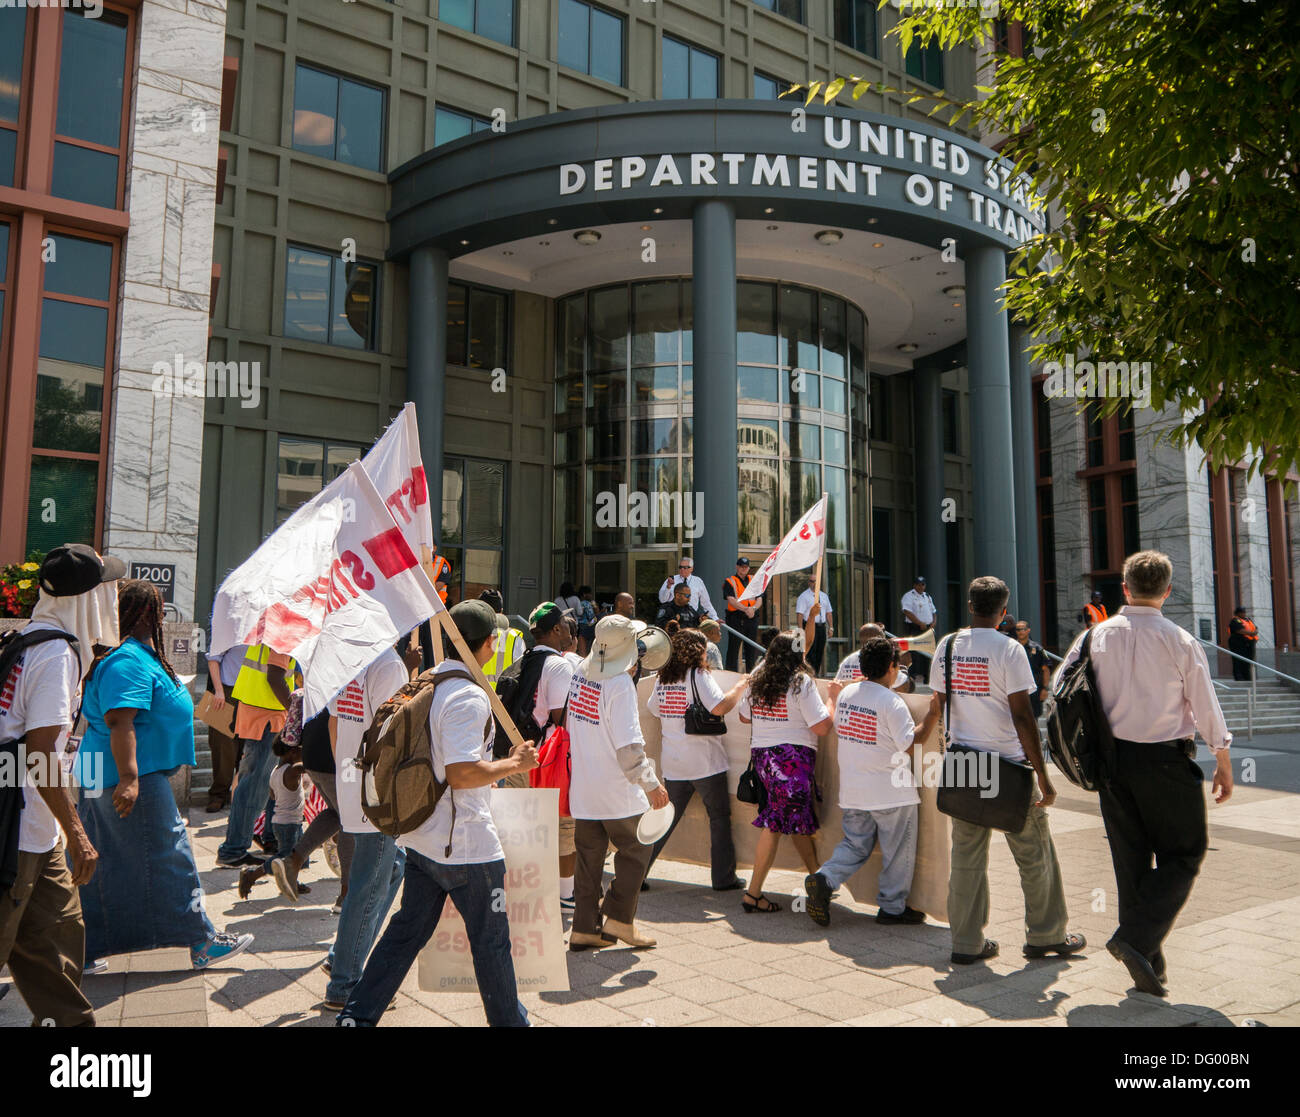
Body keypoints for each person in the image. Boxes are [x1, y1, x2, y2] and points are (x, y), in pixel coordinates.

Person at [337, 600, 539, 1027]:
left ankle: (355, 1017)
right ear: (486, 644)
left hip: (425, 841)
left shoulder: (428, 681)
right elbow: (462, 773)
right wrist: (515, 764)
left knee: (403, 935)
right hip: (468, 846)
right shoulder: (468, 695)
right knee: (492, 945)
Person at [1056, 550, 1233, 997]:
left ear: (1125, 587)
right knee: (1186, 853)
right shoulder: (1180, 640)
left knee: (1130, 862)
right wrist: (1223, 759)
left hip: (1113, 764)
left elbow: (1062, 689)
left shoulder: (1094, 637)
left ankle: (1147, 960)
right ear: (1168, 591)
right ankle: (1136, 941)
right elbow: (1205, 705)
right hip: (1166, 762)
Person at [77, 579, 254, 970]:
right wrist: (129, 778)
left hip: (107, 772)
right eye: (157, 608)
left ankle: (85, 946)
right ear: (145, 614)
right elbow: (120, 721)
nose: (161, 614)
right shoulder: (125, 660)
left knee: (102, 861)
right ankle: (202, 941)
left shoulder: (132, 654)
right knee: (172, 855)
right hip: (124, 777)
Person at [931, 576, 1084, 966]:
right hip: (1009, 767)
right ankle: (1046, 936)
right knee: (1034, 854)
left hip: (965, 764)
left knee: (966, 856)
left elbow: (940, 706)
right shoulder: (1011, 650)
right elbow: (1023, 717)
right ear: (1003, 612)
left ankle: (966, 943)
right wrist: (1044, 776)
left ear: (970, 606)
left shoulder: (947, 646)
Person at [0, 543, 118, 1026]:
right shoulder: (54, 655)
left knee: (61, 936)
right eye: (106, 588)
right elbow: (40, 751)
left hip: (35, 826)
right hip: (19, 827)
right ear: (86, 600)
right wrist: (79, 832)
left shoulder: (27, 638)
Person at [805, 637, 942, 927]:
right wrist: (932, 715)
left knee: (855, 844)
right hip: (892, 792)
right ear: (892, 667)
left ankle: (825, 877)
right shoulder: (891, 701)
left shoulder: (847, 694)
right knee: (897, 852)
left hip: (854, 788)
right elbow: (910, 743)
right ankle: (892, 908)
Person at [566, 614, 670, 950]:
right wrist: (651, 784)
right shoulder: (619, 685)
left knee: (589, 856)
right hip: (615, 787)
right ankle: (620, 919)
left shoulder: (582, 671)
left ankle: (583, 928)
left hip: (584, 784)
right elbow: (628, 749)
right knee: (638, 847)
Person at [322, 645, 411, 1010]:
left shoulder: (346, 658)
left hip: (354, 782)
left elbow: (333, 721)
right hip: (374, 790)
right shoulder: (388, 665)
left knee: (393, 866)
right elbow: (394, 737)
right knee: (368, 886)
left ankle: (342, 954)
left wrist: (346, 767)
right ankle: (347, 982)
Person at [643, 628, 748, 891]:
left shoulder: (663, 678)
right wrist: (740, 687)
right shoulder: (699, 675)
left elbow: (653, 709)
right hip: (706, 761)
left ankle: (637, 872)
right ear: (697, 651)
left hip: (675, 762)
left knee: (665, 820)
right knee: (719, 818)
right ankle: (723, 878)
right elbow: (719, 707)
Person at [738, 630, 834, 913]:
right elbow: (821, 727)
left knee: (795, 820)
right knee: (776, 823)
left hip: (765, 760)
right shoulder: (800, 681)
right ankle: (753, 893)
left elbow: (744, 716)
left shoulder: (758, 677)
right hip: (792, 761)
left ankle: (818, 877)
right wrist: (833, 701)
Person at [215, 641, 298, 868]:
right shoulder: (283, 634)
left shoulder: (271, 628)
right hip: (266, 719)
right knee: (254, 787)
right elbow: (274, 678)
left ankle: (270, 840)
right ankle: (233, 850)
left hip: (261, 715)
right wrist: (296, 711)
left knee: (270, 785)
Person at [525, 602, 578, 908]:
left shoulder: (526, 658)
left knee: (531, 829)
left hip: (526, 754)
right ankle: (565, 894)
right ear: (557, 629)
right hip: (550, 758)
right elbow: (563, 717)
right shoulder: (557, 665)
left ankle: (535, 890)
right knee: (562, 828)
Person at [273, 706, 350, 911]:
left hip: (313, 752)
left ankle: (293, 861)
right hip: (331, 753)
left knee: (336, 813)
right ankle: (347, 892)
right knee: (349, 821)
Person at [238, 699, 310, 900]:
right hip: (289, 824)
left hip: (283, 821)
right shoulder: (293, 770)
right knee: (285, 857)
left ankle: (291, 881)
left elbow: (272, 795)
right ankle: (252, 875)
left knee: (301, 856)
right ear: (293, 752)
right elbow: (308, 766)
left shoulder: (275, 772)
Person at [202, 640, 246, 811]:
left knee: (248, 748)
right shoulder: (231, 620)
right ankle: (218, 794)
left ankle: (240, 793)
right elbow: (213, 658)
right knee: (220, 744)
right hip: (225, 690)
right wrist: (218, 690)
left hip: (253, 693)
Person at [835, 622, 914, 693]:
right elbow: (905, 688)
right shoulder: (883, 659)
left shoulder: (848, 660)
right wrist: (903, 665)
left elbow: (837, 685)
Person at [723, 557, 761, 671]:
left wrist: (753, 609)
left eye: (745, 567)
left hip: (751, 618)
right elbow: (731, 599)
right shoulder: (730, 581)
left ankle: (751, 675)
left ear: (748, 568)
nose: (743, 569)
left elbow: (759, 598)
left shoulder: (754, 580)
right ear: (737, 567)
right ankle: (731, 674)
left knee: (751, 649)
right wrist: (746, 609)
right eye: (741, 566)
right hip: (736, 618)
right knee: (733, 649)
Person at [481, 589, 525, 687]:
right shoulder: (513, 637)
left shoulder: (471, 633)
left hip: (474, 694)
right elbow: (520, 672)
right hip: (502, 698)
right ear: (501, 611)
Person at [657, 556, 718, 620]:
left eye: (685, 567)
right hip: (673, 617)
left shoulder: (698, 581)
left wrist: (715, 618)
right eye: (680, 567)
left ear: (691, 568)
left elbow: (706, 603)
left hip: (691, 618)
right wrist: (668, 587)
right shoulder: (671, 580)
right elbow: (662, 600)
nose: (682, 569)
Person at [1013, 620, 1052, 717]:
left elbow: (1046, 669)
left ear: (1028, 630)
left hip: (1034, 690)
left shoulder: (1037, 648)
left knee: (1034, 718)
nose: (1020, 631)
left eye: (1023, 629)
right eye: (1018, 629)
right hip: (1016, 689)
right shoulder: (1011, 647)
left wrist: (1045, 689)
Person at [795, 577, 833, 675]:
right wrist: (800, 631)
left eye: (816, 581)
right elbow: (800, 614)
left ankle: (816, 675)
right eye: (812, 581)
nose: (814, 583)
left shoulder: (824, 596)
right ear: (809, 583)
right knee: (810, 653)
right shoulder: (804, 596)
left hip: (821, 626)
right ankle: (809, 675)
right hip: (809, 626)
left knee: (819, 652)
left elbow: (828, 613)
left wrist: (831, 627)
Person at [901, 575, 937, 678]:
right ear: (914, 585)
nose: (921, 587)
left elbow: (934, 611)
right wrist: (920, 623)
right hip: (915, 628)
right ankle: (912, 676)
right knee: (914, 652)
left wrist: (933, 623)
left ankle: (927, 676)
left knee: (928, 651)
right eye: (918, 584)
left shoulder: (927, 596)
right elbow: (907, 612)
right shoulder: (909, 596)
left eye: (923, 584)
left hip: (928, 628)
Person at [1227, 605, 1258, 682]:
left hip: (1249, 643)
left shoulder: (1248, 620)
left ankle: (1247, 677)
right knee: (1238, 660)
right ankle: (1239, 677)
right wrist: (1251, 633)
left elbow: (1255, 628)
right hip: (1238, 643)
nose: (1244, 614)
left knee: (1248, 661)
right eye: (1242, 612)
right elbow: (1239, 630)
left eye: (1244, 612)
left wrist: (1254, 633)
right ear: (1238, 613)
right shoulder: (1235, 620)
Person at [576, 586, 597, 655]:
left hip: (577, 626)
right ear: (584, 594)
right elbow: (592, 617)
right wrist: (598, 614)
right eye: (590, 594)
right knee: (586, 648)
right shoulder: (586, 603)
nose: (591, 596)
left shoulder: (578, 602)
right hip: (585, 627)